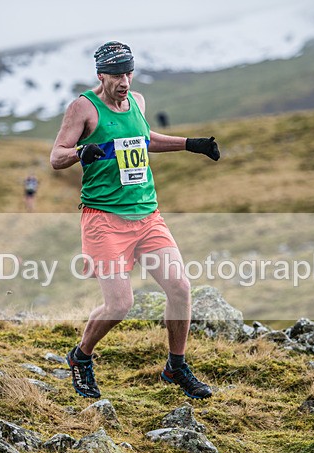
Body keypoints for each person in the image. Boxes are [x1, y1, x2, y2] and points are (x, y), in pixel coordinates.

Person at [50, 41, 220, 400]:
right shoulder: (83, 108)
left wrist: (193, 144)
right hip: (104, 219)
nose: (124, 81)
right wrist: (82, 151)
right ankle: (81, 357)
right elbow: (56, 156)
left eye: (129, 73)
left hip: (147, 215)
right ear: (101, 75)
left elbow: (144, 140)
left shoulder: (138, 102)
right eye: (116, 75)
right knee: (119, 305)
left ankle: (176, 366)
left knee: (180, 289)